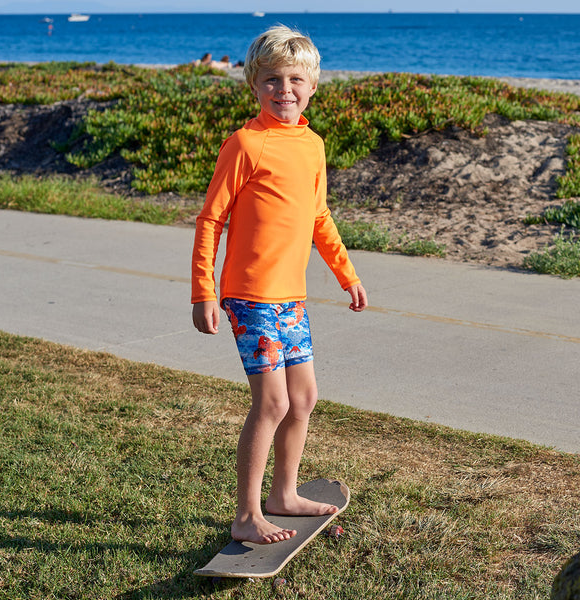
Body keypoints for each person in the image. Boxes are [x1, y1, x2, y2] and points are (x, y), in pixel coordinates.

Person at [191, 25, 368, 545]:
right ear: (254, 85)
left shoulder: (312, 146)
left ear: (312, 86)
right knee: (271, 403)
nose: (284, 89)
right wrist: (203, 290)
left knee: (304, 398)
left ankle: (283, 494)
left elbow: (320, 217)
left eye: (295, 79)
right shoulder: (245, 144)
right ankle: (247, 514)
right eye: (272, 80)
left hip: (291, 295)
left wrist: (347, 274)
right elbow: (210, 221)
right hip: (248, 294)